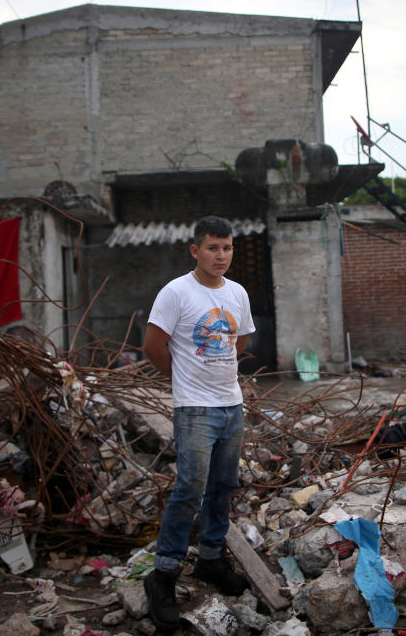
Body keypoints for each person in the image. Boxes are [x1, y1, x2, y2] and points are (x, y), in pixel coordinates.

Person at [142, 215, 256, 631]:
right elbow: (154, 345)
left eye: (226, 247)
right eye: (212, 247)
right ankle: (164, 577)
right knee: (189, 489)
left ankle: (210, 560)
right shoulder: (176, 292)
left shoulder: (237, 293)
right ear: (195, 250)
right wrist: (184, 377)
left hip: (231, 405)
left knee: (224, 486)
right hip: (194, 408)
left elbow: (239, 341)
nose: (220, 255)